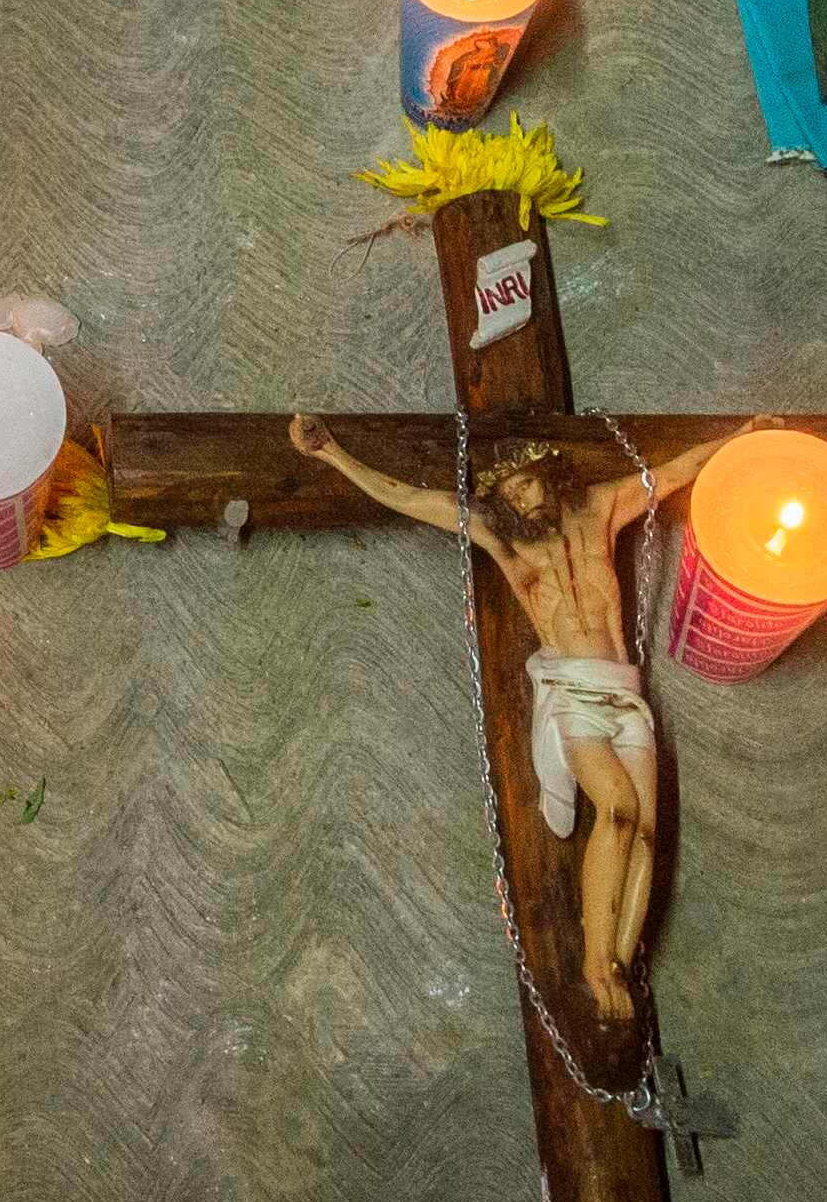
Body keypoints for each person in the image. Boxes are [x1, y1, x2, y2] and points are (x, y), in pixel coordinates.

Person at [285, 413, 746, 1019]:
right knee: (617, 809)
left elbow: (678, 470)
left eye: (526, 483)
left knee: (646, 833)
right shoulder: (503, 540)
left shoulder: (600, 508)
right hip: (575, 693)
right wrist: (332, 453)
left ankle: (618, 965)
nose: (521, 499)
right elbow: (409, 498)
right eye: (508, 494)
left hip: (625, 691)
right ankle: (593, 962)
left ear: (549, 475)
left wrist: (745, 437)